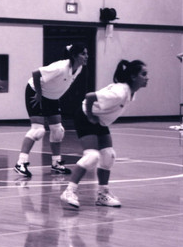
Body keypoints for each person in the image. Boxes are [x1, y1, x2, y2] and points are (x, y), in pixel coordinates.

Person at [60, 59, 148, 208]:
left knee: (108, 155)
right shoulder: (119, 92)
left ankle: (102, 194)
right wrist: (90, 115)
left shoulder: (129, 92)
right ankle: (69, 191)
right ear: (133, 77)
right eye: (143, 74)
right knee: (92, 156)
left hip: (98, 119)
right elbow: (89, 96)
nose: (147, 77)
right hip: (85, 116)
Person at [14, 42, 89, 178]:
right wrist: (38, 93)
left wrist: (53, 96)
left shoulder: (79, 68)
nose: (86, 56)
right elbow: (36, 73)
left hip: (52, 98)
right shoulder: (61, 67)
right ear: (74, 55)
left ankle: (56, 163)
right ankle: (21, 163)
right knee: (38, 130)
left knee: (58, 130)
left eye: (86, 53)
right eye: (83, 54)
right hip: (36, 93)